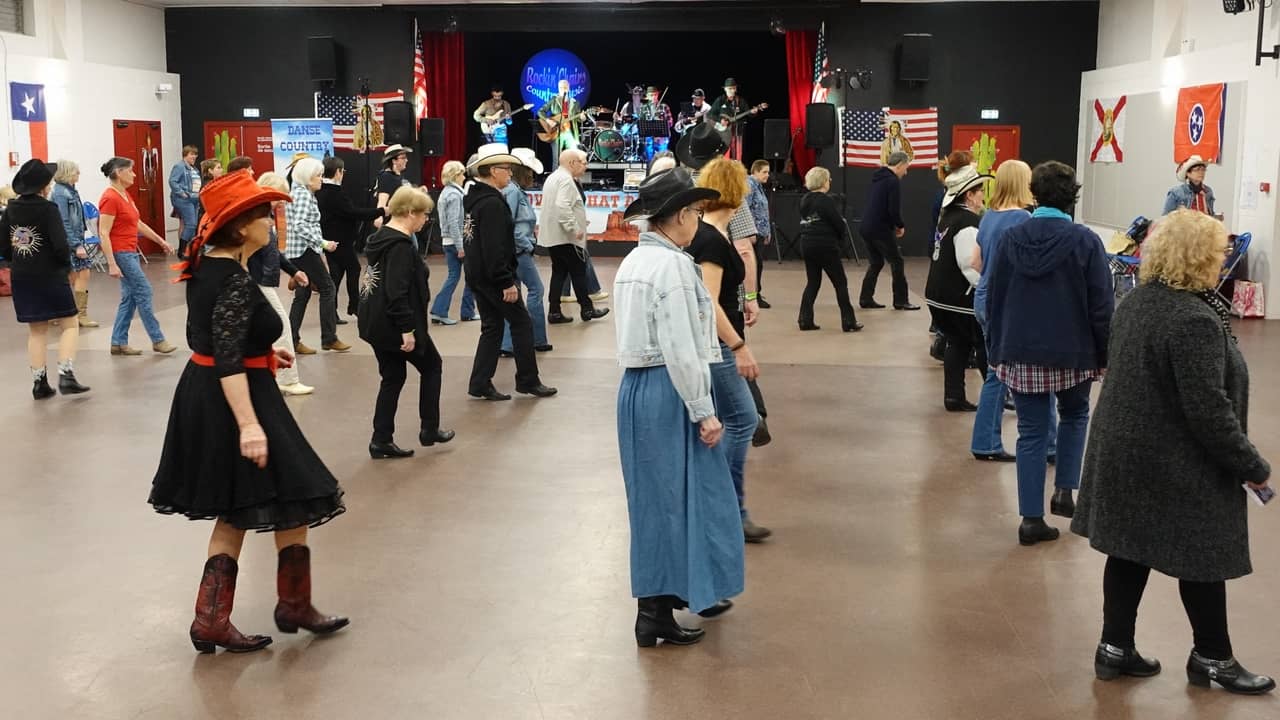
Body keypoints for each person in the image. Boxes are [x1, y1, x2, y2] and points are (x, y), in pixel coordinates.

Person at [1072, 209, 1274, 695]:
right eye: (1218, 252)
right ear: (1198, 257)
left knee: (1127, 548)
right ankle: (1213, 658)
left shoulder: (1139, 302)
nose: (1224, 259)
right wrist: (1252, 466)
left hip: (1125, 450)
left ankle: (1114, 649)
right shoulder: (1194, 320)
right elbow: (1208, 410)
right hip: (1173, 459)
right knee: (1202, 553)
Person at [149, 170, 347, 655]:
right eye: (263, 215)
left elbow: (222, 341)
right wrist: (249, 425)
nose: (270, 223)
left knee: (258, 501)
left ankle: (237, 614)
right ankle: (257, 611)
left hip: (220, 388)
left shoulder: (209, 267)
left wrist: (266, 353)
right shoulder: (233, 279)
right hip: (235, 399)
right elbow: (228, 357)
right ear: (240, 228)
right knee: (280, 493)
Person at [615, 167, 742, 646]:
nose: (698, 220)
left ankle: (658, 607)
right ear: (680, 216)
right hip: (668, 390)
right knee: (685, 498)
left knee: (653, 501)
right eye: (695, 211)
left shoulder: (634, 262)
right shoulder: (673, 268)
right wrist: (703, 410)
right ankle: (662, 608)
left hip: (636, 390)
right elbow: (681, 347)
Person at [985, 161, 1113, 546]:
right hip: (1072, 353)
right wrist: (1104, 354)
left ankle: (1030, 519)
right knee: (1075, 414)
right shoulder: (1086, 241)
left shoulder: (1010, 240)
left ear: (1034, 194)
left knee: (1031, 432)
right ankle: (1065, 492)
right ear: (1072, 196)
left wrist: (995, 349)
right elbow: (1101, 306)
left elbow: (995, 298)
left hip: (1020, 351)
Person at [692, 158, 772, 542]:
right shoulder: (709, 239)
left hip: (720, 343)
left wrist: (748, 299)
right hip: (718, 349)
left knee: (730, 422)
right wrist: (738, 346)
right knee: (743, 419)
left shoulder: (716, 236)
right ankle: (727, 508)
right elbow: (709, 303)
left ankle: (728, 508)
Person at [358, 186, 455, 459]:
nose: (426, 220)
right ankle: (429, 427)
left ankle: (381, 439)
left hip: (376, 325)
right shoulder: (400, 247)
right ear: (410, 213)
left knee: (392, 377)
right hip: (396, 326)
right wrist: (407, 330)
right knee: (432, 366)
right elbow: (396, 292)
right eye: (424, 214)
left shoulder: (380, 239)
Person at [463, 144, 557, 401]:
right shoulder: (492, 204)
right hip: (494, 278)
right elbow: (495, 247)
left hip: (478, 275)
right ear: (493, 171)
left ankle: (480, 381)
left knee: (492, 327)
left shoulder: (475, 200)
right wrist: (506, 281)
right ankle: (527, 380)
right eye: (506, 169)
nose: (510, 173)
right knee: (521, 323)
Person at [1, 158, 90, 398]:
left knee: (36, 330)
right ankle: (66, 374)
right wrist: (67, 268)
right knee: (69, 324)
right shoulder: (48, 209)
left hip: (22, 276)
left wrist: (17, 262)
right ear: (42, 186)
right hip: (50, 275)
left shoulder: (10, 209)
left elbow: (5, 247)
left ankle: (39, 383)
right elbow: (60, 246)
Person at [971, 160, 1033, 460]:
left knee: (996, 372)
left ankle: (986, 441)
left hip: (983, 297)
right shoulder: (1022, 218)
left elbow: (976, 262)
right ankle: (986, 442)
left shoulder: (987, 217)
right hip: (1005, 301)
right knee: (1001, 375)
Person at [924, 165, 991, 412]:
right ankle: (995, 394)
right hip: (958, 298)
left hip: (939, 294)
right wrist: (987, 288)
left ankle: (954, 396)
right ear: (969, 195)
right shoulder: (968, 222)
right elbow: (970, 265)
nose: (983, 195)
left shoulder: (948, 218)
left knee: (958, 343)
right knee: (983, 343)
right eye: (980, 190)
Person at [98, 156, 177, 356]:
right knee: (144, 290)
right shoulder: (110, 198)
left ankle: (118, 342)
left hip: (130, 251)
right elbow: (103, 232)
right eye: (130, 170)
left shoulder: (124, 195)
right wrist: (111, 263)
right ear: (118, 173)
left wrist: (161, 241)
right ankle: (158, 339)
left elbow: (138, 224)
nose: (134, 174)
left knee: (130, 297)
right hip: (121, 253)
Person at [249, 172, 314, 397]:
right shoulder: (257, 216)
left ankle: (267, 377)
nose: (281, 201)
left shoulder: (263, 214)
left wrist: (294, 271)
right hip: (257, 281)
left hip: (260, 280)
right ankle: (288, 378)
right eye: (279, 196)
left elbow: (273, 252)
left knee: (260, 330)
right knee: (281, 327)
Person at [537, 147, 609, 324]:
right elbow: (563, 206)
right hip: (566, 237)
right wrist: (574, 228)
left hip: (554, 236)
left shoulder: (553, 177)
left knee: (559, 272)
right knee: (578, 272)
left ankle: (554, 311)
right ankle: (587, 309)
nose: (585, 167)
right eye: (583, 162)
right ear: (572, 163)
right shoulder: (566, 180)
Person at [285, 158, 348, 354]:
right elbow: (301, 225)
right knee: (327, 288)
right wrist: (323, 243)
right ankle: (329, 338)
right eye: (318, 176)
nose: (321, 179)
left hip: (299, 251)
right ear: (307, 177)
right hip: (304, 251)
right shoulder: (303, 195)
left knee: (302, 295)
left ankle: (292, 340)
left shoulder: (302, 193)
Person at [315, 156, 383, 320]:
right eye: (342, 171)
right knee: (353, 268)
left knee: (336, 275)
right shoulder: (334, 194)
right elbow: (353, 212)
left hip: (331, 240)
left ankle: (333, 311)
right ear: (338, 172)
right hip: (339, 241)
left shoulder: (322, 192)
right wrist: (380, 211)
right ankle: (354, 306)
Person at [797, 167, 860, 332]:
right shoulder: (825, 201)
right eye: (829, 179)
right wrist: (840, 237)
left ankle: (804, 319)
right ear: (823, 181)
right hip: (825, 245)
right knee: (840, 282)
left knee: (813, 282)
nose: (830, 181)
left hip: (807, 243)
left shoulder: (804, 200)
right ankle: (848, 321)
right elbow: (838, 223)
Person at [501, 148, 551, 355]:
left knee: (514, 295)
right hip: (520, 251)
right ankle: (537, 339)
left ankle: (508, 343)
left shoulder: (514, 190)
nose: (532, 175)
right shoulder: (513, 192)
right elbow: (508, 223)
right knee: (536, 290)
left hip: (516, 250)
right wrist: (528, 245)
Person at [859, 152, 919, 310]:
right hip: (880, 228)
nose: (905, 172)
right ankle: (901, 300)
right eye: (906, 168)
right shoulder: (892, 181)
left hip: (866, 226)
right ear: (899, 165)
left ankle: (865, 298)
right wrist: (900, 225)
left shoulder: (878, 179)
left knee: (876, 262)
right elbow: (893, 209)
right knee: (897, 261)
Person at [429, 160, 477, 325]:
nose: (464, 177)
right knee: (471, 275)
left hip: (447, 241)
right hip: (456, 242)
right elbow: (454, 222)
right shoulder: (455, 195)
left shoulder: (445, 193)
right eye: (462, 173)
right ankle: (466, 311)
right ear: (456, 175)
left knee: (454, 276)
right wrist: (460, 246)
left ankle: (440, 310)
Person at [50, 160, 97, 328]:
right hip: (70, 241)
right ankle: (79, 315)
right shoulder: (62, 193)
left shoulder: (69, 190)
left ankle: (62, 313)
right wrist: (76, 244)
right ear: (67, 172)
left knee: (71, 277)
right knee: (82, 274)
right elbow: (63, 220)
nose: (79, 174)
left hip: (73, 238)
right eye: (76, 171)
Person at [537, 79, 583, 169]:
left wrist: (582, 118)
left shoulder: (575, 103)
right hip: (557, 132)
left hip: (570, 132)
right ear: (558, 89)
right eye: (561, 87)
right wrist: (548, 120)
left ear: (569, 88)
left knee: (574, 157)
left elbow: (578, 119)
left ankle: (572, 179)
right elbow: (540, 112)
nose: (563, 89)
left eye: (565, 87)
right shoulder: (554, 100)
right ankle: (556, 180)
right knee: (557, 159)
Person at [746, 159, 772, 308]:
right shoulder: (749, 186)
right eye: (764, 172)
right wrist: (750, 231)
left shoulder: (759, 187)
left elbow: (762, 212)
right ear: (754, 172)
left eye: (768, 172)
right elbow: (747, 209)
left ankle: (756, 293)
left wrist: (767, 232)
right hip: (753, 233)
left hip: (760, 232)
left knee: (758, 264)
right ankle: (753, 295)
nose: (767, 175)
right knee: (755, 264)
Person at [709, 78, 757, 160]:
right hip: (724, 133)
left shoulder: (741, 101)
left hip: (738, 131)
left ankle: (737, 169)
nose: (732, 90)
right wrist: (720, 120)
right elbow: (711, 114)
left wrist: (754, 112)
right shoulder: (720, 100)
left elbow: (749, 114)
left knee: (738, 154)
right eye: (730, 88)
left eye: (734, 88)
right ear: (725, 89)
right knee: (725, 152)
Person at [169, 146, 202, 259]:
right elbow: (173, 181)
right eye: (191, 154)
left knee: (192, 226)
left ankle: (190, 250)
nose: (194, 157)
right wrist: (181, 193)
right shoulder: (179, 166)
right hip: (185, 199)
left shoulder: (194, 169)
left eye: (195, 154)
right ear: (185, 155)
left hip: (194, 199)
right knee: (191, 224)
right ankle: (182, 250)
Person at [375, 145, 414, 215]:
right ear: (394, 161)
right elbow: (382, 201)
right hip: (391, 220)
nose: (406, 160)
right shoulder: (386, 177)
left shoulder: (397, 176)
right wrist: (379, 217)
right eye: (403, 158)